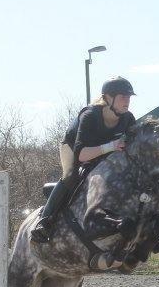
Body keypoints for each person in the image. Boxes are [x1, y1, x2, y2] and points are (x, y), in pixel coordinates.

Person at [31, 76, 138, 244]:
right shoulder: (90, 115)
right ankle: (44, 222)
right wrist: (111, 146)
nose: (127, 101)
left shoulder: (128, 118)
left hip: (104, 150)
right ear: (108, 98)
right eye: (123, 96)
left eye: (129, 97)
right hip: (74, 148)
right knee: (71, 175)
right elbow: (81, 155)